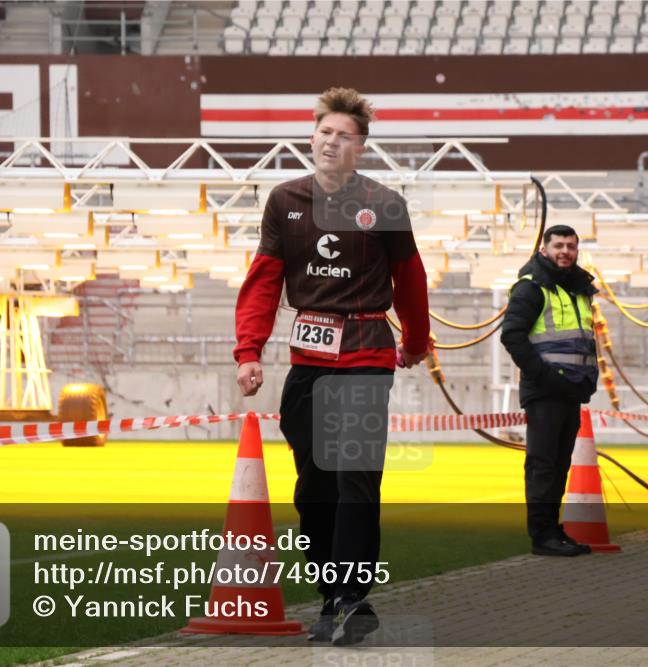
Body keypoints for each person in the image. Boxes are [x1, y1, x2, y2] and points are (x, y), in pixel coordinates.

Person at [233, 87, 431, 645]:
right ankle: (329, 597)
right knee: (314, 488)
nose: (331, 142)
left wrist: (416, 341)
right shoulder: (284, 200)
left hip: (367, 355)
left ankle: (352, 598)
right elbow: (263, 282)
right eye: (325, 132)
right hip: (308, 363)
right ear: (311, 136)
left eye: (344, 136)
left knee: (355, 479)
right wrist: (249, 352)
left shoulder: (384, 203)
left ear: (360, 147)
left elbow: (411, 280)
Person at [500, 224, 599, 557]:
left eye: (571, 246)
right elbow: (512, 336)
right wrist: (545, 377)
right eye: (559, 245)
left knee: (558, 466)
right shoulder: (531, 288)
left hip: (571, 390)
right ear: (544, 249)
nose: (565, 252)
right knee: (543, 466)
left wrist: (587, 379)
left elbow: (584, 339)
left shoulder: (577, 289)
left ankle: (553, 531)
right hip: (545, 391)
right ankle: (542, 536)